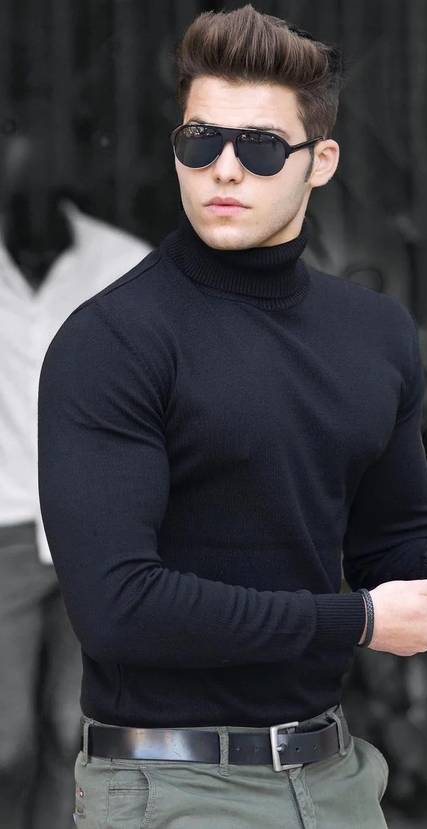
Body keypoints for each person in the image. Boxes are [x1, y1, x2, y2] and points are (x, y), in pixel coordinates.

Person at [36, 6, 427, 828]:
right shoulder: (112, 341)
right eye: (201, 141)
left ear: (319, 161)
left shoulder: (373, 333)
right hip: (170, 785)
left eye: (260, 147)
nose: (225, 169)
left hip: (335, 780)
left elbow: (388, 552)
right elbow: (118, 607)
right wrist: (358, 621)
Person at [0, 132, 151, 829]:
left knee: (79, 735)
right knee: (5, 745)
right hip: (4, 530)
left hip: (100, 533)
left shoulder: (125, 267)